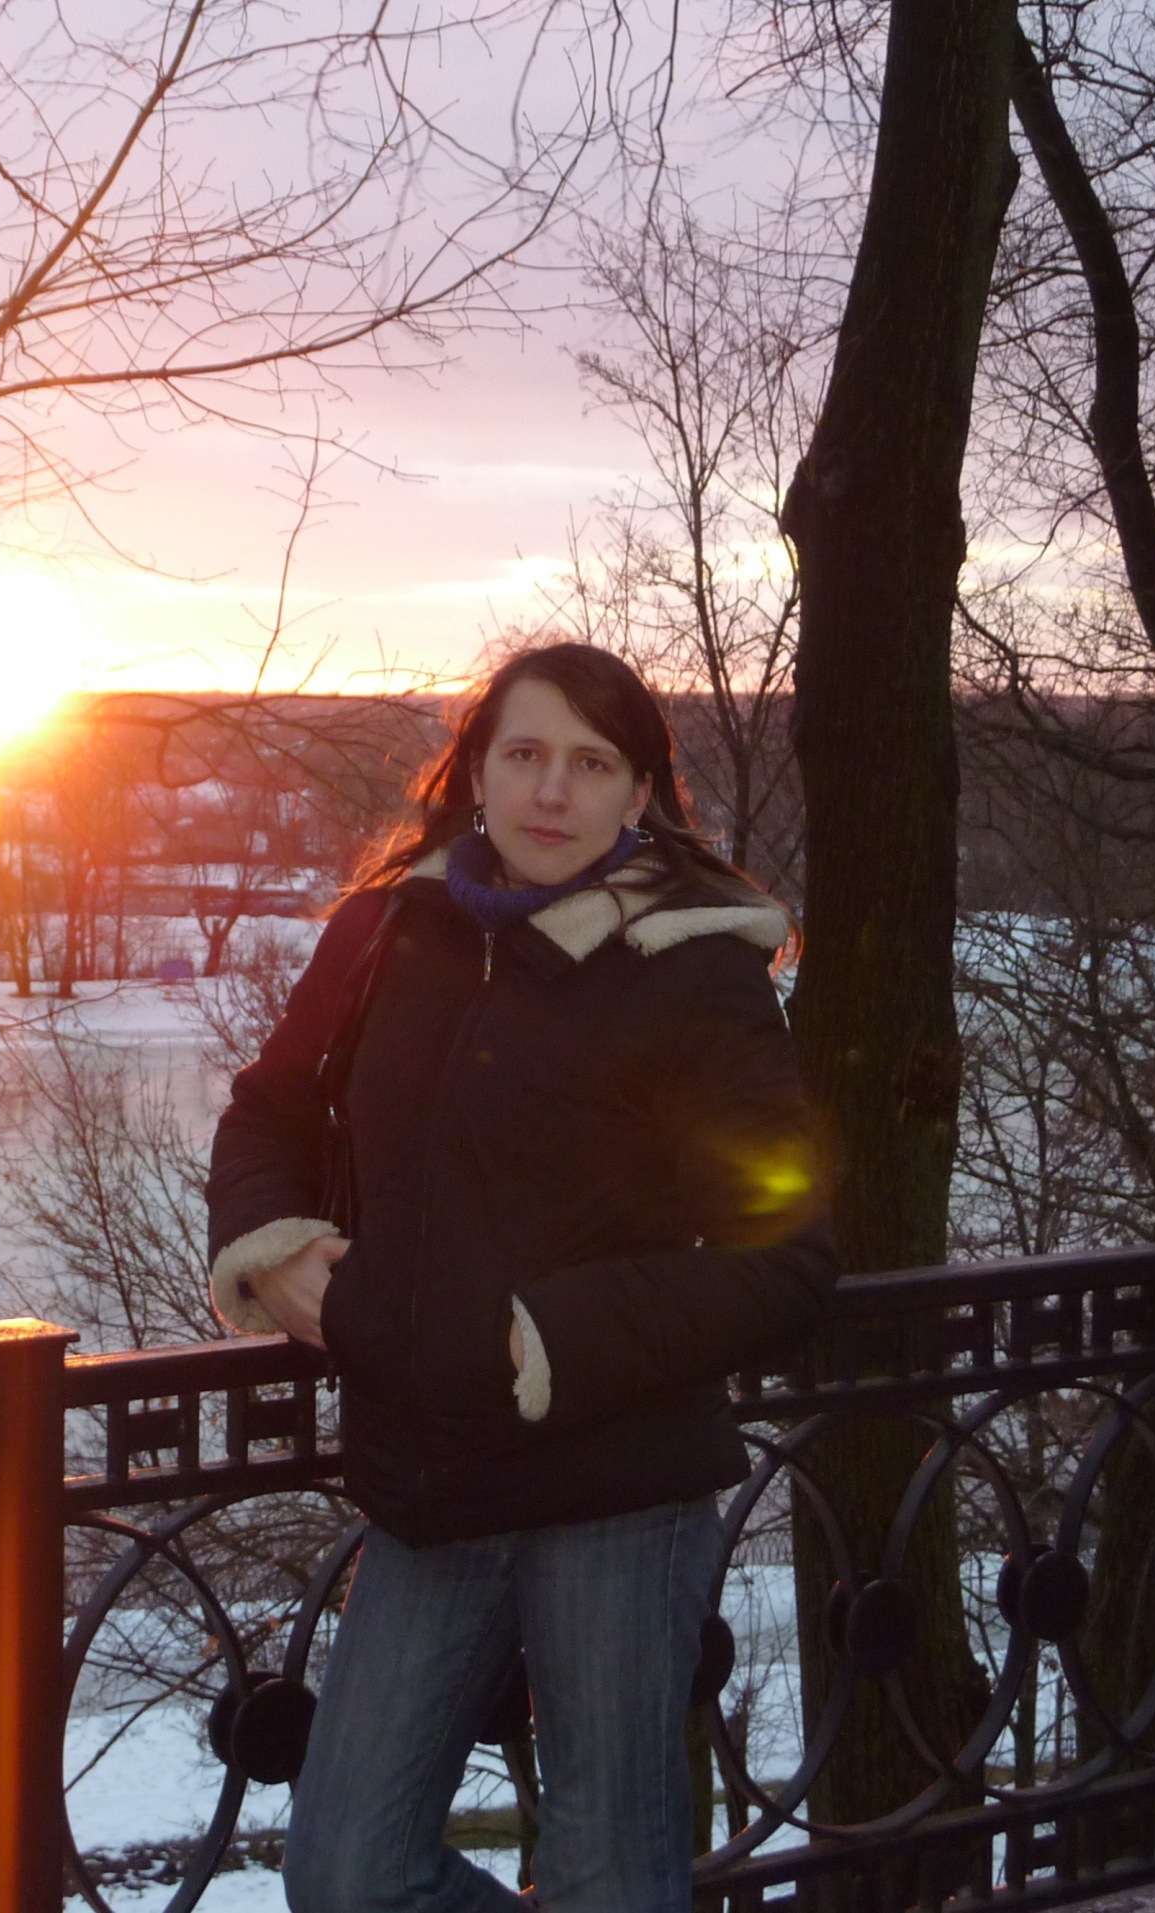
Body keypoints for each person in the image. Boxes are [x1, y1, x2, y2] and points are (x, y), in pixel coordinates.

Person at [205, 643, 837, 1913]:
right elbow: (269, 1108)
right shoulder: (386, 931)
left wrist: (545, 1336)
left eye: (592, 763)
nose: (553, 790)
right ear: (476, 772)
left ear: (639, 792)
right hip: (428, 1478)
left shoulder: (692, 967)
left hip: (618, 1489)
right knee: (346, 1874)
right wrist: (272, 1248)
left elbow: (786, 1257)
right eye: (526, 753)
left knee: (608, 1874)